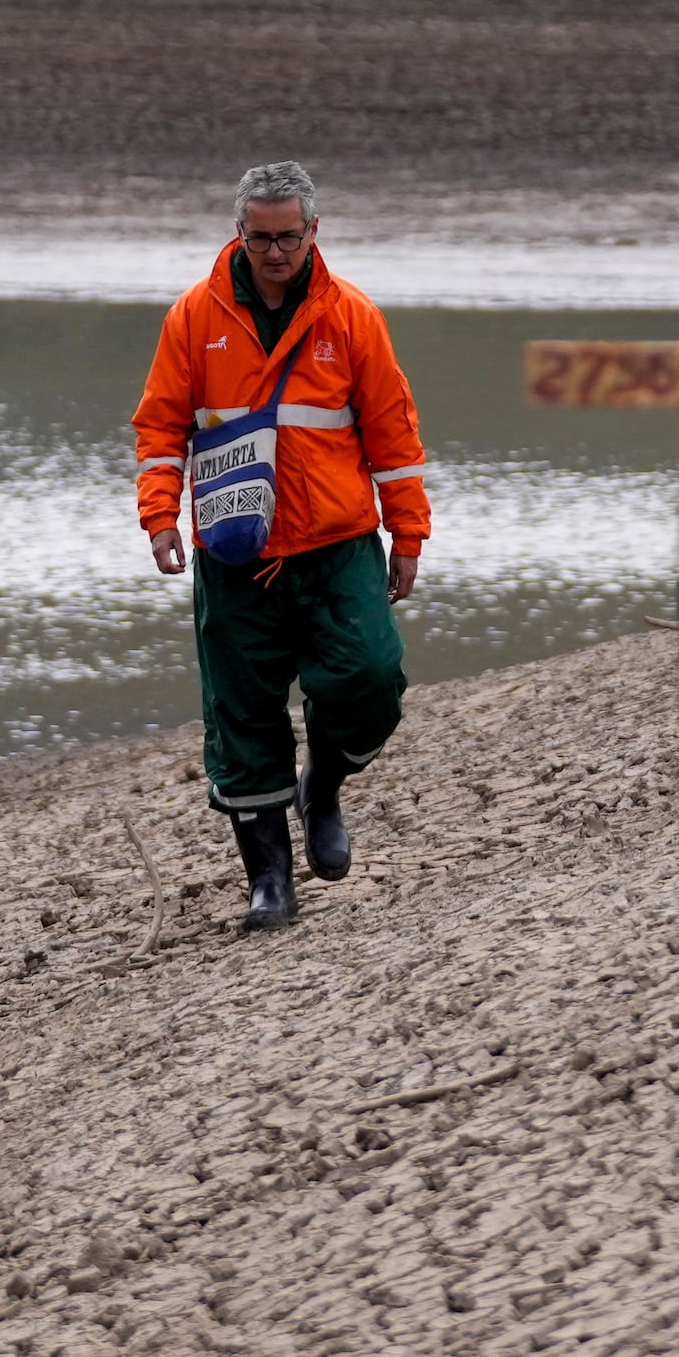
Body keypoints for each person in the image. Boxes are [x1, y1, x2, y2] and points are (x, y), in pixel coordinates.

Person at [134, 161, 430, 932]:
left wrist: (409, 531)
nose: (274, 251)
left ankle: (322, 785)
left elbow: (393, 435)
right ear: (239, 232)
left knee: (371, 675)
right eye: (260, 237)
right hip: (234, 557)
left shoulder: (353, 317)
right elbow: (160, 428)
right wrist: (160, 516)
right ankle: (270, 882)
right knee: (241, 715)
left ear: (313, 232)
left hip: (338, 545)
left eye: (287, 237)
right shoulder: (193, 318)